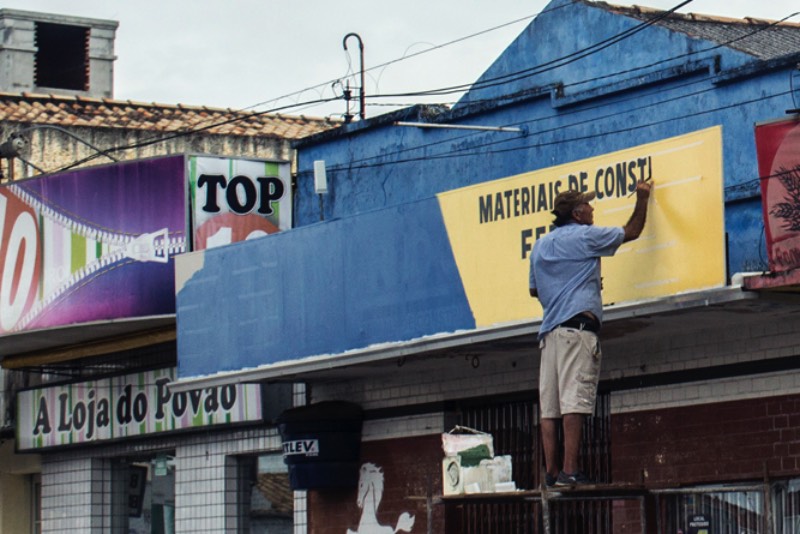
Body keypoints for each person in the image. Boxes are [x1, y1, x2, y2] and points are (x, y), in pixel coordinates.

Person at [529, 180, 652, 487]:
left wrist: (562, 285)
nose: (593, 209)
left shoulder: (541, 245)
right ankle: (571, 471)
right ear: (578, 212)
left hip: (550, 334)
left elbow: (534, 289)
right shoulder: (584, 236)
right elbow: (632, 231)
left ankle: (552, 472)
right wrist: (643, 196)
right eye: (589, 205)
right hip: (578, 331)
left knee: (550, 406)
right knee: (575, 401)